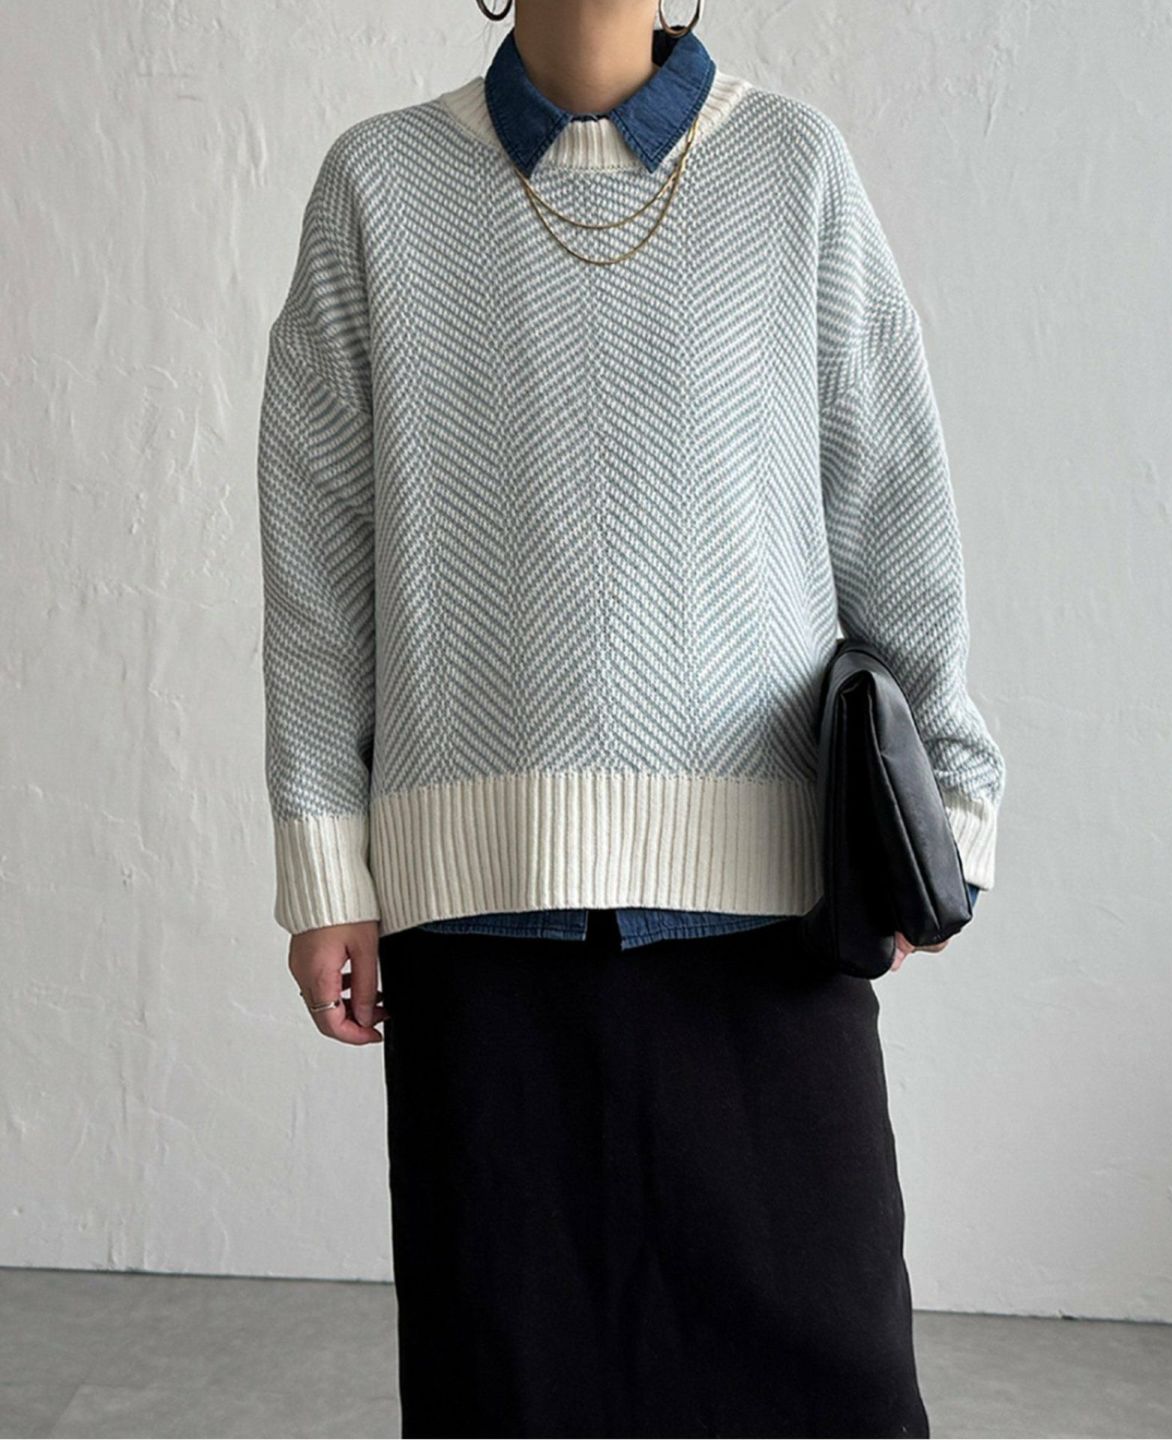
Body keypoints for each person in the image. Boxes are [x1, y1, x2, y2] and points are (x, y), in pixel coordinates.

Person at [254, 1, 1005, 1435]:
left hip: (771, 921)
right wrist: (324, 861)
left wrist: (948, 814)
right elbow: (320, 558)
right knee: (510, 1395)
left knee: (832, 1395)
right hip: (481, 920)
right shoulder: (379, 187)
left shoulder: (791, 168)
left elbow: (892, 501)